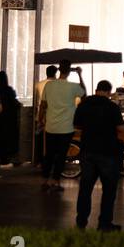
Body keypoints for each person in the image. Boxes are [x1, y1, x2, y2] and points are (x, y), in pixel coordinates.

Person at [73, 80, 124, 231]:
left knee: (85, 189)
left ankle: (81, 222)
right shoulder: (112, 107)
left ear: (96, 90)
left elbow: (76, 125)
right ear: (109, 92)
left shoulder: (84, 104)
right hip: (107, 152)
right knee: (109, 190)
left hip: (87, 151)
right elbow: (121, 128)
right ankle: (104, 223)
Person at [40, 61, 85, 190]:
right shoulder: (72, 87)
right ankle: (56, 182)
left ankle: (45, 181)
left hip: (51, 127)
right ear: (70, 71)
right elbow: (84, 94)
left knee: (49, 155)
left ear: (59, 69)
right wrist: (80, 75)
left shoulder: (49, 85)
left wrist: (40, 120)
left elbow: (43, 105)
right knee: (61, 156)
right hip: (66, 128)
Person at [0, 71, 21, 167]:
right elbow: (15, 104)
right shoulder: (9, 90)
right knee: (5, 140)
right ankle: (4, 159)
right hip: (8, 121)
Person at [34, 65, 57, 166]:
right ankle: (51, 161)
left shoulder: (39, 84)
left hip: (40, 116)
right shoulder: (57, 85)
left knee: (40, 141)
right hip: (54, 116)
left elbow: (36, 102)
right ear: (55, 73)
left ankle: (40, 160)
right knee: (53, 140)